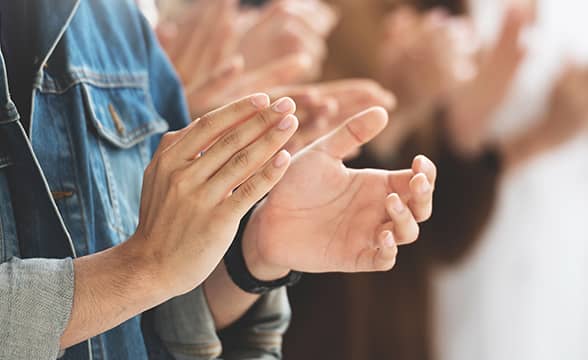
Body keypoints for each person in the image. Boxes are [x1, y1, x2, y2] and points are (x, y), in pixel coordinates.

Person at [0, 1, 436, 360]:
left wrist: (250, 258)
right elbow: (146, 267)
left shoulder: (116, 24)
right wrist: (140, 268)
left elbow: (152, 309)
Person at [285, 0, 588, 359]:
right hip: (334, 304)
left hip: (428, 291)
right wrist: (406, 111)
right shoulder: (339, 26)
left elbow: (443, 222)